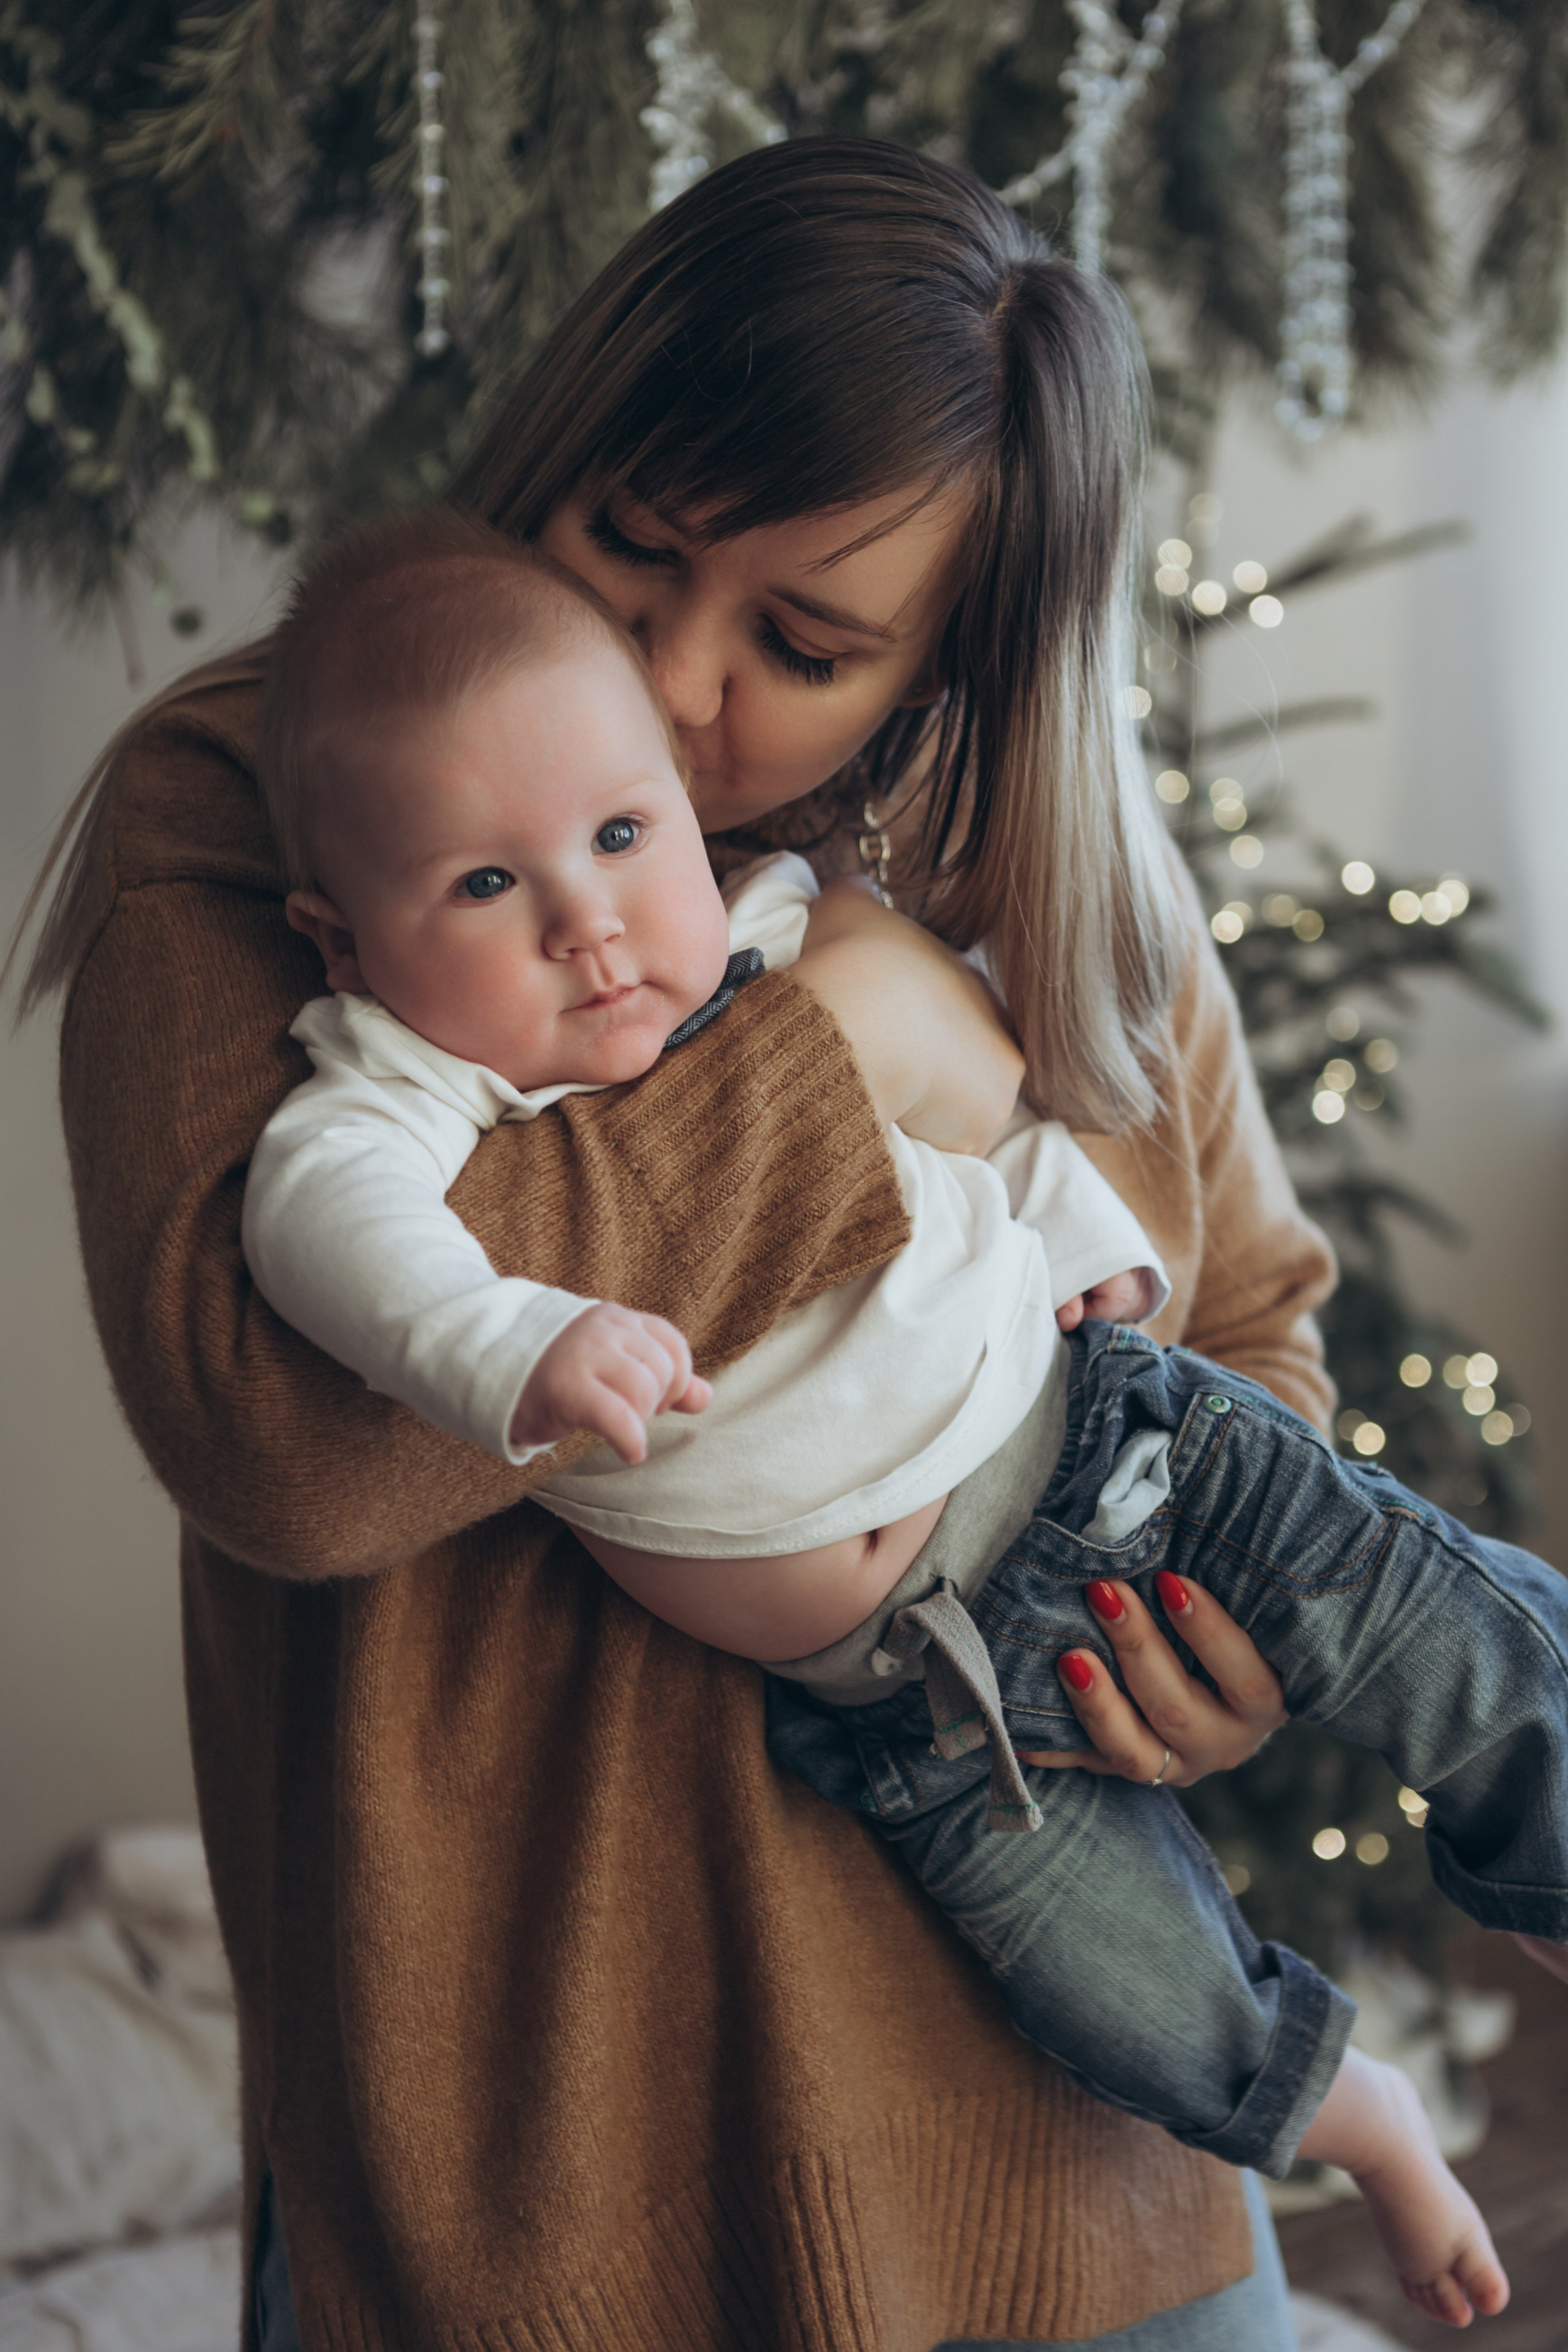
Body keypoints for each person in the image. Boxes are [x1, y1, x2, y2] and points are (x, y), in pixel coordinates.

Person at [14, 137, 1406, 2349]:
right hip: (537, 2227)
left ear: (952, 662)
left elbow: (1249, 1338)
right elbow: (281, 1436)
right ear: (561, 441)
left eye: (802, 641)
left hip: (1076, 2160)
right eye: (630, 550)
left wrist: (1206, 1649)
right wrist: (847, 1068)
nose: (671, 684)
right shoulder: (281, 795)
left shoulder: (1033, 865)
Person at [243, 505, 1556, 2329]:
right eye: (485, 888)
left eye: (624, 839)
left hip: (1109, 1441)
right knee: (1147, 1997)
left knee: (1439, 1626)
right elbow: (320, 1245)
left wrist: (1094, 1245)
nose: (590, 925)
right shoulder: (393, 1095)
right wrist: (505, 1346)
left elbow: (1009, 1154)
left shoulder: (770, 927)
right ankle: (1370, 2120)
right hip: (909, 1698)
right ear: (341, 936)